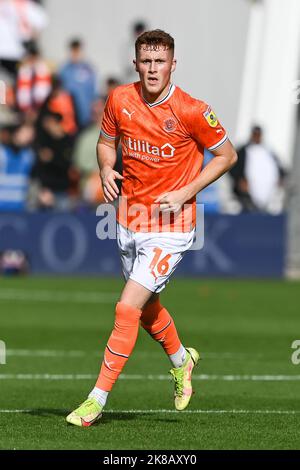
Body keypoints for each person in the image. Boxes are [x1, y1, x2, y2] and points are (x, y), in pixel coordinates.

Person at [66, 29, 237, 427]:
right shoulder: (119, 99)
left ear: (173, 64)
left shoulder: (192, 110)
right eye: (146, 61)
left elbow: (227, 155)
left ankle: (96, 399)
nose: (153, 69)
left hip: (172, 226)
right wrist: (107, 167)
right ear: (136, 63)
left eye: (160, 61)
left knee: (126, 307)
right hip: (128, 220)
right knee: (145, 309)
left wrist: (186, 192)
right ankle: (182, 361)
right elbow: (107, 142)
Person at [230, 125, 286, 213]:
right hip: (246, 196)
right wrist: (240, 179)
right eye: (255, 134)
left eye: (258, 134)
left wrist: (280, 178)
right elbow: (232, 167)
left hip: (269, 197)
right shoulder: (243, 150)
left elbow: (280, 168)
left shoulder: (268, 151)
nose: (257, 137)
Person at [59, 38, 98, 130]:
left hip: (87, 115)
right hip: (70, 117)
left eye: (77, 51)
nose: (75, 54)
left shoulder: (89, 69)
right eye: (73, 51)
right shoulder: (64, 70)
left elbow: (94, 93)